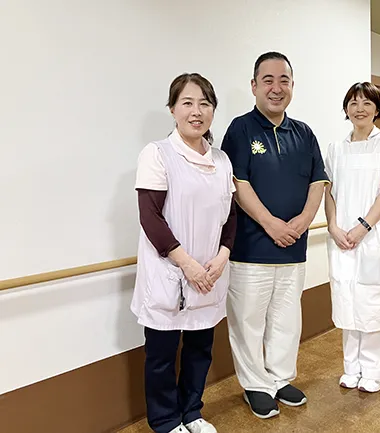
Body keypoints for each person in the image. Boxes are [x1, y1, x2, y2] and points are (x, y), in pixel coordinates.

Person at [220, 52, 329, 419]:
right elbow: (238, 182)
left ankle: (280, 378)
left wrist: (304, 220)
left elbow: (318, 181)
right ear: (254, 86)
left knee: (286, 319)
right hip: (251, 249)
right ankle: (255, 384)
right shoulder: (240, 129)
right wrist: (270, 224)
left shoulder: (304, 133)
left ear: (292, 86)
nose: (276, 87)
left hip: (294, 247)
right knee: (248, 321)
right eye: (268, 80)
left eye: (284, 80)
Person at [131, 73, 236, 433]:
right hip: (171, 273)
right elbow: (151, 217)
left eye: (205, 103)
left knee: (199, 350)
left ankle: (192, 412)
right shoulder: (158, 154)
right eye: (187, 103)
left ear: (213, 111)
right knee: (161, 355)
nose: (196, 111)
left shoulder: (222, 160)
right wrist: (188, 265)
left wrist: (222, 256)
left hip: (209, 274)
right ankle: (165, 421)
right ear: (173, 109)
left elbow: (230, 216)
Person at [324, 82, 380, 394]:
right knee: (347, 297)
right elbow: (329, 191)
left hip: (373, 235)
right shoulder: (336, 148)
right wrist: (333, 226)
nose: (359, 109)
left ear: (377, 109)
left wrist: (363, 227)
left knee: (374, 300)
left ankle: (376, 369)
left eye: (367, 103)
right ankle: (352, 367)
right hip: (342, 236)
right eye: (353, 103)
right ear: (346, 109)